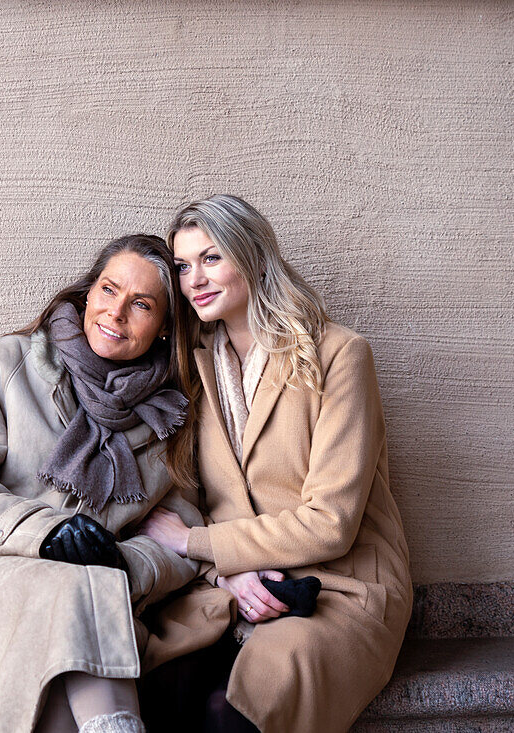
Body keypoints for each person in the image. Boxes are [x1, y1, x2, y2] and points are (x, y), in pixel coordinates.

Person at [136, 195, 412, 733]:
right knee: (156, 688)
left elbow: (331, 523)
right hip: (230, 585)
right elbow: (192, 496)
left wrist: (195, 544)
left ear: (254, 256)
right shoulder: (192, 368)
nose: (195, 279)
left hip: (339, 587)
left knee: (240, 708)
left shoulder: (339, 355)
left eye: (212, 258)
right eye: (183, 266)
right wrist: (226, 571)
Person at [0, 234, 207, 733]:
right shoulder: (11, 365)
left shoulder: (169, 417)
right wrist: (44, 534)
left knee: (66, 631)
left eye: (141, 304)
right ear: (87, 294)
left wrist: (122, 563)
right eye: (109, 291)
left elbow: (185, 535)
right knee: (75, 592)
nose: (116, 313)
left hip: (93, 596)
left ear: (163, 328)